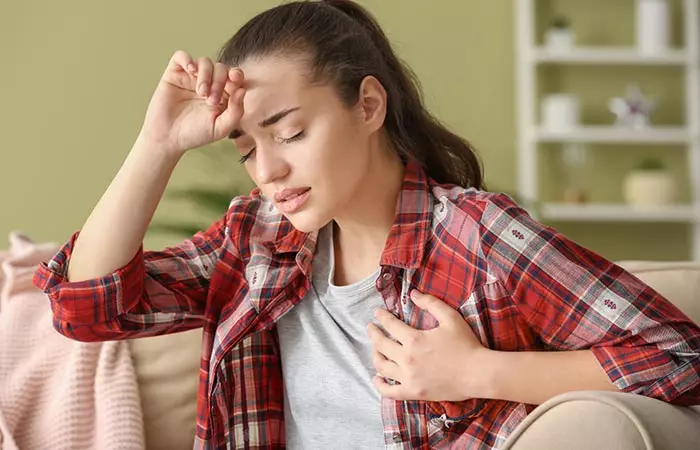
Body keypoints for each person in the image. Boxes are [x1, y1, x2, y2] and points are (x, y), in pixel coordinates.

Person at [33, 1, 700, 449]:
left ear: (369, 105)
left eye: (290, 132)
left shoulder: (479, 234)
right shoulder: (256, 241)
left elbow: (679, 358)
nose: (266, 169)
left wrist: (480, 372)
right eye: (244, 147)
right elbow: (87, 310)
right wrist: (159, 143)